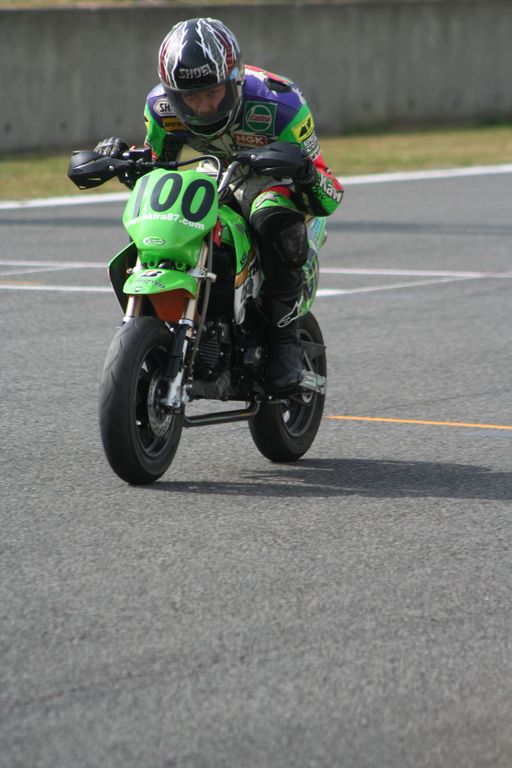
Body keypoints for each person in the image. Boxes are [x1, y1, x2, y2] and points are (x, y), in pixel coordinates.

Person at [95, 17, 343, 391]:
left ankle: (284, 344)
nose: (203, 107)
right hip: (214, 175)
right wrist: (120, 158)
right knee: (164, 212)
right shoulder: (161, 108)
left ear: (235, 79)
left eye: (212, 92)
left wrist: (303, 169)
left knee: (270, 215)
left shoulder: (282, 104)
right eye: (190, 98)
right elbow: (158, 166)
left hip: (271, 179)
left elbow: (328, 193)